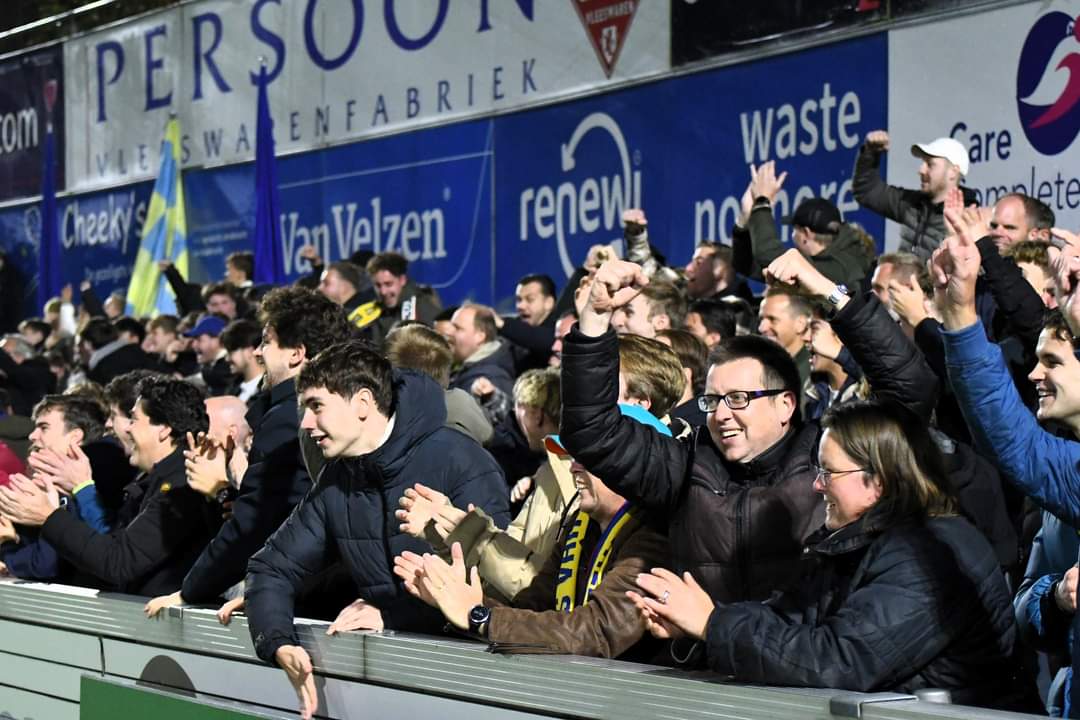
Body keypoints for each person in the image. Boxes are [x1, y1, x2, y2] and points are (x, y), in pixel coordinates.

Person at [629, 400, 1026, 709]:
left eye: (828, 473)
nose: (818, 487)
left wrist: (712, 625)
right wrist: (697, 626)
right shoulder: (856, 541)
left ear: (879, 482)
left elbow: (840, 661)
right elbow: (788, 620)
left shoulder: (932, 557)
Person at [244, 339, 509, 719]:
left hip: (475, 689)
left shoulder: (460, 459)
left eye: (316, 406)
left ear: (363, 404)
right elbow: (270, 568)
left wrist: (393, 616)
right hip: (390, 684)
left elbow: (495, 583)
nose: (304, 423)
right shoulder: (338, 479)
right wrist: (277, 640)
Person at [393, 404, 670, 660]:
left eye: (588, 458)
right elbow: (534, 609)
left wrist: (478, 616)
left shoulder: (655, 534)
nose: (573, 466)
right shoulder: (582, 524)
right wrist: (458, 598)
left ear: (631, 464)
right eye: (574, 456)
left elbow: (597, 632)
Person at [0, 377, 221, 595]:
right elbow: (111, 543)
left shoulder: (182, 485)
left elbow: (119, 562)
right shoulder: (153, 480)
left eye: (133, 420)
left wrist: (49, 516)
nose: (125, 429)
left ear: (162, 429)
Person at [853, 131, 974, 261]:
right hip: (899, 280)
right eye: (923, 163)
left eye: (930, 164)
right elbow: (867, 191)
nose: (921, 170)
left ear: (953, 172)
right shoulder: (914, 203)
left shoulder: (969, 219)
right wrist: (871, 152)